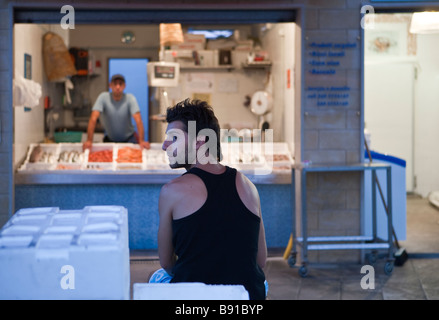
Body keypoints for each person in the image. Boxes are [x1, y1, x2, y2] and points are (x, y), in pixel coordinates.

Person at [150, 98, 268, 300]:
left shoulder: (171, 191)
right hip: (247, 297)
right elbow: (260, 260)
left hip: (194, 300)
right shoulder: (249, 187)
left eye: (174, 138)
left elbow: (167, 264)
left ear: (201, 141)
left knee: (156, 278)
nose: (164, 146)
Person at [83, 74, 150, 150]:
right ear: (110, 85)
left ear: (124, 86)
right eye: (115, 84)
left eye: (120, 84)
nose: (118, 87)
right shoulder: (103, 97)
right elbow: (93, 118)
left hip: (129, 139)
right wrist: (89, 140)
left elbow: (138, 120)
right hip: (110, 139)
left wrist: (141, 140)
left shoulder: (130, 98)